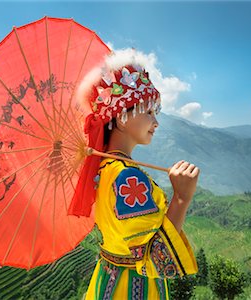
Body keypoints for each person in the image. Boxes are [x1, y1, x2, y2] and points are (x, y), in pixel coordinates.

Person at [70, 51, 200, 299]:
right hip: (134, 288)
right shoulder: (127, 179)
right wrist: (182, 198)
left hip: (106, 280)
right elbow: (157, 260)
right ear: (120, 117)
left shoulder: (104, 170)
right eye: (148, 112)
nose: (156, 122)